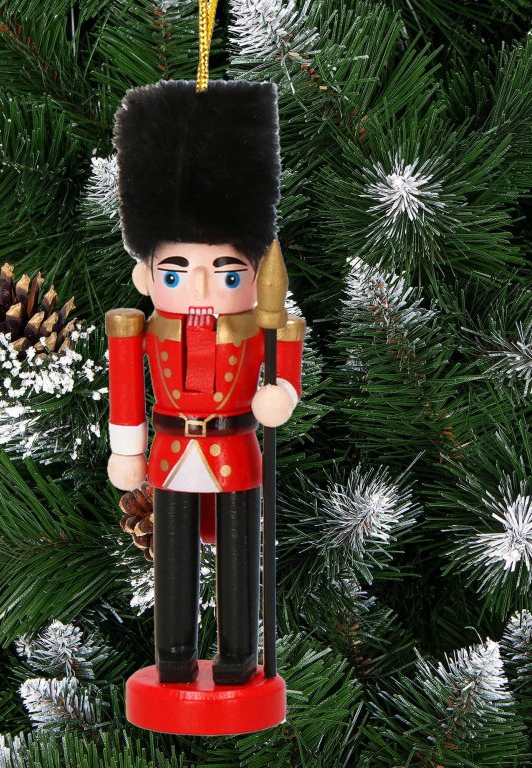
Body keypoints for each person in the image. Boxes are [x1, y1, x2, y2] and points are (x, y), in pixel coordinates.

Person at [105, 80, 304, 686]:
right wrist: (127, 449)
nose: (198, 287)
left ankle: (239, 656)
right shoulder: (138, 329)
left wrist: (280, 396)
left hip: (235, 450)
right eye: (175, 273)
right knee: (174, 559)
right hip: (169, 452)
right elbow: (126, 392)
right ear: (145, 276)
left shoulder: (260, 329)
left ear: (256, 274)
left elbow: (285, 373)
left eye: (225, 272)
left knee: (241, 558)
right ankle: (174, 654)